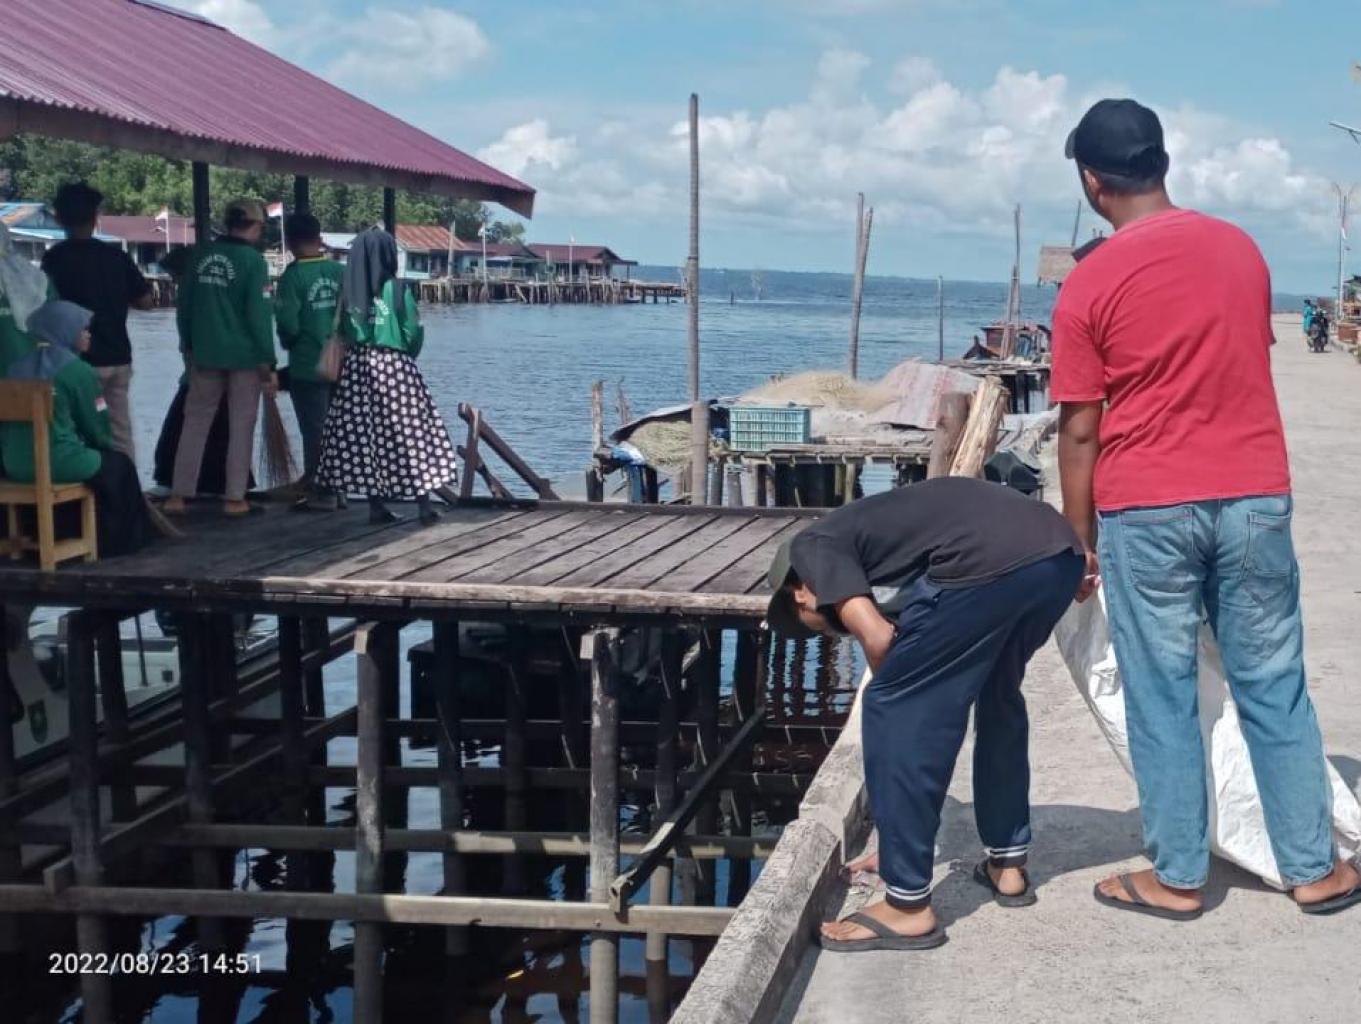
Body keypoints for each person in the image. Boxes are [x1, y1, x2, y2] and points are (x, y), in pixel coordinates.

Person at [1053, 98, 1361, 920]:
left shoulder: (1088, 282)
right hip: (1253, 496)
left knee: (1160, 693)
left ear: (1091, 181)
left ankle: (1178, 875)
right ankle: (1312, 868)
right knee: (1273, 683)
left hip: (1147, 506)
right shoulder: (1238, 250)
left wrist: (1078, 538)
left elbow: (1080, 428)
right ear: (1161, 164)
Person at [763, 478, 1084, 951]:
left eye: (815, 626)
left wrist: (901, 691)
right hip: (1058, 555)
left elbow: (878, 639)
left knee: (892, 709)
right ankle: (1008, 863)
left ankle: (907, 903)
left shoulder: (811, 547)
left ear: (801, 593)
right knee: (998, 694)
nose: (829, 632)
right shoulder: (871, 540)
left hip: (987, 561)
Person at [314, 227, 456, 524]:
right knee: (413, 435)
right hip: (395, 368)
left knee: (365, 438)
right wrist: (404, 354)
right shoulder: (397, 288)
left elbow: (341, 332)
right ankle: (424, 505)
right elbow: (412, 332)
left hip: (357, 369)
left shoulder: (348, 291)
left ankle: (375, 506)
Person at [1, 300, 152, 557]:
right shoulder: (78, 371)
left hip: (14, 463)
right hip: (59, 462)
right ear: (64, 330)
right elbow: (97, 427)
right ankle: (117, 543)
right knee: (119, 466)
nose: (88, 334)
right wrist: (104, 447)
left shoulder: (14, 369)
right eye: (82, 329)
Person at [164, 199, 277, 518]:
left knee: (195, 423)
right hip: (244, 358)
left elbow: (184, 306)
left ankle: (178, 495)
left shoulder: (200, 255)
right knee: (241, 426)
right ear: (256, 226)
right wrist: (267, 362)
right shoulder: (253, 262)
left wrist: (187, 345)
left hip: (204, 354)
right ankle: (234, 498)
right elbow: (259, 316)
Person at [41, 182, 154, 462]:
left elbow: (42, 309)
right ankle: (126, 484)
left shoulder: (54, 260)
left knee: (79, 432)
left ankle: (90, 486)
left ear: (59, 219)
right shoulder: (117, 257)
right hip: (118, 358)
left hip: (76, 364)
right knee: (119, 431)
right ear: (95, 218)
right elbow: (145, 302)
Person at [151, 246, 251, 497]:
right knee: (224, 429)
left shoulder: (192, 296)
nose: (174, 282)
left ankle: (180, 484)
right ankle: (222, 485)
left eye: (175, 276)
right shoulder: (215, 295)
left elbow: (187, 335)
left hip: (202, 369)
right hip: (224, 366)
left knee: (183, 429)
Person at [274, 213, 343, 505]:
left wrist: (288, 342)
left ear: (290, 242)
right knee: (336, 429)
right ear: (319, 238)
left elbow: (288, 324)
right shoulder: (339, 271)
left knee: (314, 429)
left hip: (307, 365)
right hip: (341, 363)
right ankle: (339, 488)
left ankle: (321, 490)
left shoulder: (293, 277)